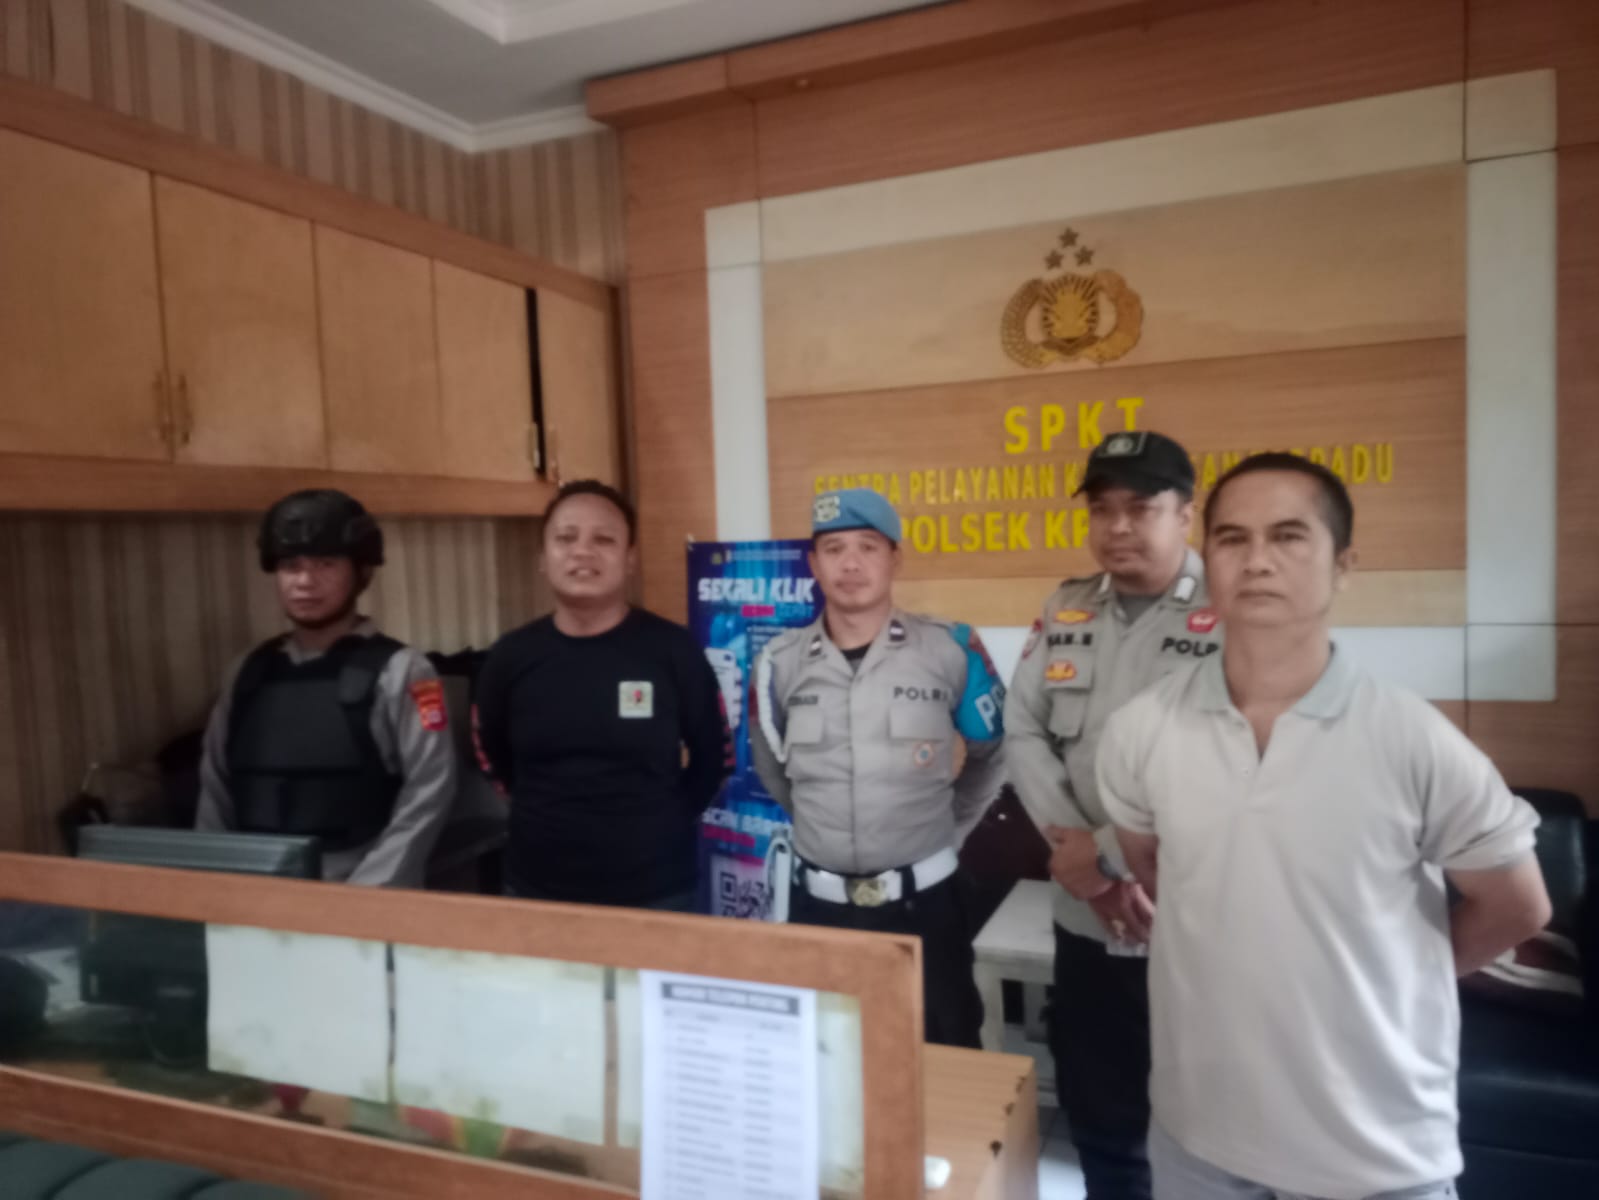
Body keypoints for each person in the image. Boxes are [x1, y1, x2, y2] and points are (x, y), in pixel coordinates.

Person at [1098, 452, 1551, 1200]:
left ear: (1343, 565)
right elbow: (1158, 871)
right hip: (1197, 1139)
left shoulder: (1412, 738)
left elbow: (1518, 906)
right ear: (1207, 559)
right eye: (1233, 538)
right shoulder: (1140, 731)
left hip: (1373, 1154)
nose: (1257, 560)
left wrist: (1383, 980)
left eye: (1288, 536)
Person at [1004, 430, 1215, 1200]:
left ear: (1184, 514)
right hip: (1085, 917)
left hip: (1191, 921)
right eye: (1101, 509)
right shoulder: (1065, 606)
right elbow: (1023, 729)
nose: (1117, 526)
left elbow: (1231, 760)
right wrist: (1081, 864)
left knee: (1208, 1122)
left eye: (1140, 508)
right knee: (1099, 1110)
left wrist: (1105, 856)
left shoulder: (1233, 610)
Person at [751, 488, 1006, 1047]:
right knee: (828, 1059)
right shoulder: (778, 662)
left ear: (895, 558)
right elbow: (771, 766)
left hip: (926, 910)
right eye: (834, 549)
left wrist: (950, 829)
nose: (850, 563)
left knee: (944, 1058)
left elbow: (994, 751)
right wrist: (824, 828)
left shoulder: (950, 649)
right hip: (819, 909)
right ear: (813, 563)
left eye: (868, 546)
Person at [472, 480, 730, 911]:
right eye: (566, 538)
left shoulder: (673, 650)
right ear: (543, 558)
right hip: (536, 889)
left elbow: (715, 759)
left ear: (630, 560)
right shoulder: (509, 657)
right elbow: (490, 755)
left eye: (604, 539)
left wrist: (659, 825)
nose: (583, 551)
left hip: (658, 891)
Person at [197, 489, 455, 887]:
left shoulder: (405, 671)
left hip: (362, 890)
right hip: (253, 889)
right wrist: (214, 883)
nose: (305, 581)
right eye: (291, 566)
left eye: (325, 564)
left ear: (361, 572)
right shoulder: (247, 671)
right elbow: (215, 788)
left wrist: (362, 897)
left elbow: (430, 790)